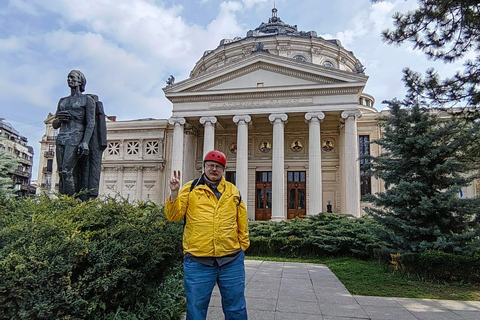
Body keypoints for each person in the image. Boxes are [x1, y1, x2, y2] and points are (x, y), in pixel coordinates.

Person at [165, 150, 249, 320]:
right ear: (204, 167)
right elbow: (173, 216)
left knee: (236, 308)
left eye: (218, 166)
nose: (214, 169)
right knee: (196, 310)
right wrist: (174, 193)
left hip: (231, 261)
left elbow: (242, 221)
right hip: (198, 261)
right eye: (210, 165)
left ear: (223, 170)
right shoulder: (190, 188)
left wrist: (242, 247)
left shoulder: (233, 191)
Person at [53, 70, 95, 196]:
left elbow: (90, 123)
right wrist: (59, 119)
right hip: (61, 136)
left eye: (72, 77)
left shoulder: (87, 100)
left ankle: (69, 203)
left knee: (66, 170)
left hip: (75, 136)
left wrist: (85, 142)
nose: (69, 79)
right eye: (68, 77)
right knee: (61, 171)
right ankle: (63, 200)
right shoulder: (62, 101)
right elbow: (55, 124)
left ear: (80, 80)